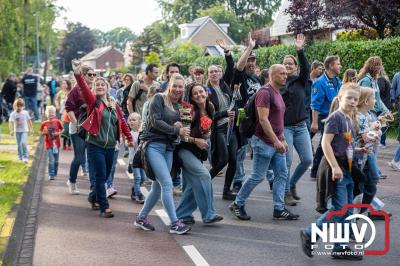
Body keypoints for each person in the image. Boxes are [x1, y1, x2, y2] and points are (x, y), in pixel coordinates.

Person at [300, 83, 363, 261]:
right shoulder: (335, 117)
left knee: (348, 210)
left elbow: (345, 145)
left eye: (355, 99)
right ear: (340, 97)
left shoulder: (349, 119)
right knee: (339, 208)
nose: (352, 101)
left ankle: (340, 247)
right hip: (337, 169)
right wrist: (335, 167)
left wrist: (359, 150)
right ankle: (310, 233)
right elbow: (325, 143)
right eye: (349, 98)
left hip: (348, 169)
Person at [229, 64, 299, 220]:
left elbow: (277, 120)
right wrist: (276, 141)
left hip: (276, 142)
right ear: (272, 75)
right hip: (263, 142)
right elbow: (263, 119)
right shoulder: (264, 93)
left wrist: (282, 139)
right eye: (281, 73)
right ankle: (237, 204)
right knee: (258, 176)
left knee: (281, 174)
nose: (285, 76)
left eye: (286, 73)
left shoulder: (278, 92)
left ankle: (279, 209)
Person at [71, 59, 133, 218]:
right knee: (100, 177)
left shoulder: (114, 104)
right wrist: (78, 73)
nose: (99, 86)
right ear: (94, 88)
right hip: (95, 145)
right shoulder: (93, 102)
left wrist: (129, 138)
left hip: (111, 147)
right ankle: (104, 208)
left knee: (104, 176)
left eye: (102, 84)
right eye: (96, 84)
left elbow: (122, 122)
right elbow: (83, 88)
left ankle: (93, 197)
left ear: (107, 88)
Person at [134, 73, 191, 234]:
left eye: (181, 87)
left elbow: (182, 130)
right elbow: (155, 121)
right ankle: (174, 223)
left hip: (169, 148)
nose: (178, 89)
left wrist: (184, 129)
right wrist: (176, 129)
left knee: (158, 187)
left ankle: (141, 218)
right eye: (175, 86)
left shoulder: (181, 106)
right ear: (169, 85)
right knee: (167, 184)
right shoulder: (158, 98)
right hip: (153, 145)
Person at [175, 83, 223, 224]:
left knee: (192, 185)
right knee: (203, 176)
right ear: (191, 97)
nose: (199, 95)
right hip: (183, 150)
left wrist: (206, 134)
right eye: (195, 93)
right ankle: (209, 214)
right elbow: (181, 136)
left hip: (197, 151)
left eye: (201, 92)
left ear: (206, 93)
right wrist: (196, 140)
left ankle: (182, 214)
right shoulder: (186, 109)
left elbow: (207, 131)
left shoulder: (211, 107)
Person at [280, 34, 313, 205]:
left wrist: (299, 50)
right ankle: (286, 193)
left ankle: (292, 183)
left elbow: (307, 68)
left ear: (295, 66)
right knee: (286, 162)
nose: (287, 66)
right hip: (285, 128)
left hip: (301, 126)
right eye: (285, 64)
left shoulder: (301, 80)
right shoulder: (279, 83)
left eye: (290, 64)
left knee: (308, 159)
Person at [232, 33, 261, 192]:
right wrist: (250, 47)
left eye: (253, 60)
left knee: (263, 149)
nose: (251, 62)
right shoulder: (240, 76)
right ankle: (238, 180)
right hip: (242, 114)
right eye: (249, 59)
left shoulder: (257, 79)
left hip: (259, 117)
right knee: (241, 150)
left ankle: (270, 178)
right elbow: (239, 66)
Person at [207, 42, 237, 200]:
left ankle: (227, 190)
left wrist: (227, 52)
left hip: (230, 127)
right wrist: (225, 112)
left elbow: (231, 68)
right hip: (218, 129)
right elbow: (208, 115)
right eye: (211, 72)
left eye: (216, 71)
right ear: (208, 75)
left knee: (234, 160)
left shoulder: (225, 85)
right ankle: (205, 182)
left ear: (219, 74)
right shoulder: (206, 91)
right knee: (223, 159)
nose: (214, 74)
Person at [65, 65, 96, 196]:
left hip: (93, 127)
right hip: (78, 127)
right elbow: (69, 107)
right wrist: (76, 123)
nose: (93, 77)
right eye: (90, 74)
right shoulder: (76, 90)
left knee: (94, 157)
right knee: (79, 157)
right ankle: (71, 182)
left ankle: (96, 187)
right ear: (82, 76)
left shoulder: (96, 89)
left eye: (94, 75)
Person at [310, 55, 342, 179]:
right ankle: (315, 170)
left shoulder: (338, 81)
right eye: (338, 64)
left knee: (332, 143)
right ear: (330, 66)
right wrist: (314, 122)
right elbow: (315, 104)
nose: (340, 66)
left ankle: (328, 167)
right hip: (324, 117)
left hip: (336, 117)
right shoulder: (320, 82)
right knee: (324, 144)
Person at [40, 106, 63, 180]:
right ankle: (51, 174)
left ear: (55, 114)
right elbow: (41, 132)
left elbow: (62, 130)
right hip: (48, 144)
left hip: (57, 144)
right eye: (49, 113)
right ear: (46, 114)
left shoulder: (58, 122)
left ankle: (55, 171)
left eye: (52, 113)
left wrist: (58, 133)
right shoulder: (44, 123)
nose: (51, 114)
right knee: (51, 160)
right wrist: (44, 132)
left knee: (56, 161)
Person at [128, 112, 146, 204]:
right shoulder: (129, 134)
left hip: (142, 160)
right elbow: (128, 144)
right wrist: (129, 143)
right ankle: (138, 194)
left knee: (143, 178)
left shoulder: (143, 133)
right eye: (130, 120)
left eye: (134, 120)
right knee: (138, 178)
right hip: (133, 160)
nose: (131, 122)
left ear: (139, 122)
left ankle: (134, 189)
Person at [8, 98, 34, 162]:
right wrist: (11, 130)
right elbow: (10, 122)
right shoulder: (13, 114)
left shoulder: (25, 113)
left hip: (24, 130)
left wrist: (31, 129)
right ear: (15, 106)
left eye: (21, 106)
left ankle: (25, 157)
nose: (19, 107)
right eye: (18, 106)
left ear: (23, 106)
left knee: (23, 143)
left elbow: (29, 120)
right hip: (17, 131)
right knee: (19, 144)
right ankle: (20, 157)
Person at [377, 68, 392, 147]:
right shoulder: (385, 79)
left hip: (383, 105)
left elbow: (380, 90)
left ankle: (381, 142)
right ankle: (382, 141)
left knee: (381, 123)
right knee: (383, 123)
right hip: (386, 104)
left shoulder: (381, 80)